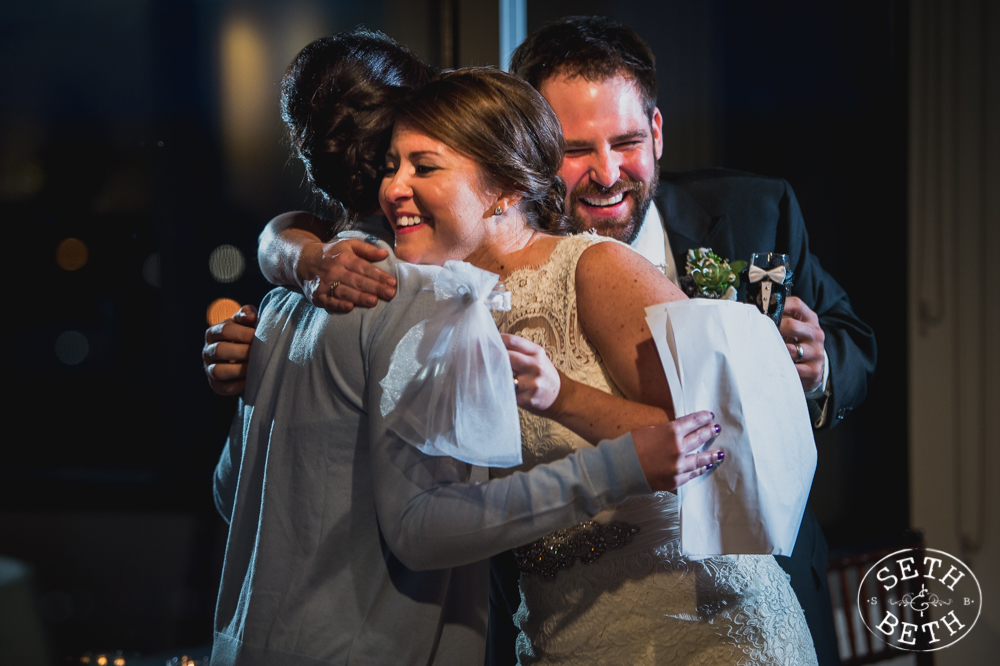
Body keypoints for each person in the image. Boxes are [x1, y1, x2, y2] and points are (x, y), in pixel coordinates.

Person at [206, 17, 875, 666]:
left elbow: (722, 447)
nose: (393, 188)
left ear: (498, 177)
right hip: (558, 634)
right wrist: (287, 264)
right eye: (388, 165)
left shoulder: (593, 268)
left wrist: (565, 396)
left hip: (698, 631)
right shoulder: (414, 296)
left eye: (421, 165)